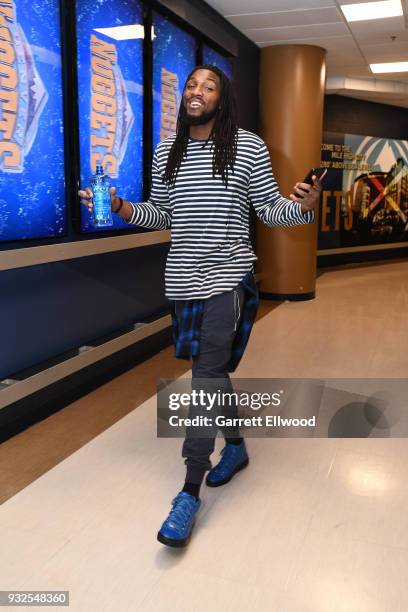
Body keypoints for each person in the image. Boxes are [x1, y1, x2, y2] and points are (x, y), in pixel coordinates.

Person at [79, 65, 325, 548]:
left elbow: (271, 211)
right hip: (182, 281)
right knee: (211, 372)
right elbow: (162, 215)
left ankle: (190, 490)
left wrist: (306, 203)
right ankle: (235, 447)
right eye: (192, 85)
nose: (197, 92)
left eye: (208, 87)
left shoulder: (246, 147)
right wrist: (124, 207)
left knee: (203, 380)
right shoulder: (167, 153)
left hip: (228, 276)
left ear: (222, 99)